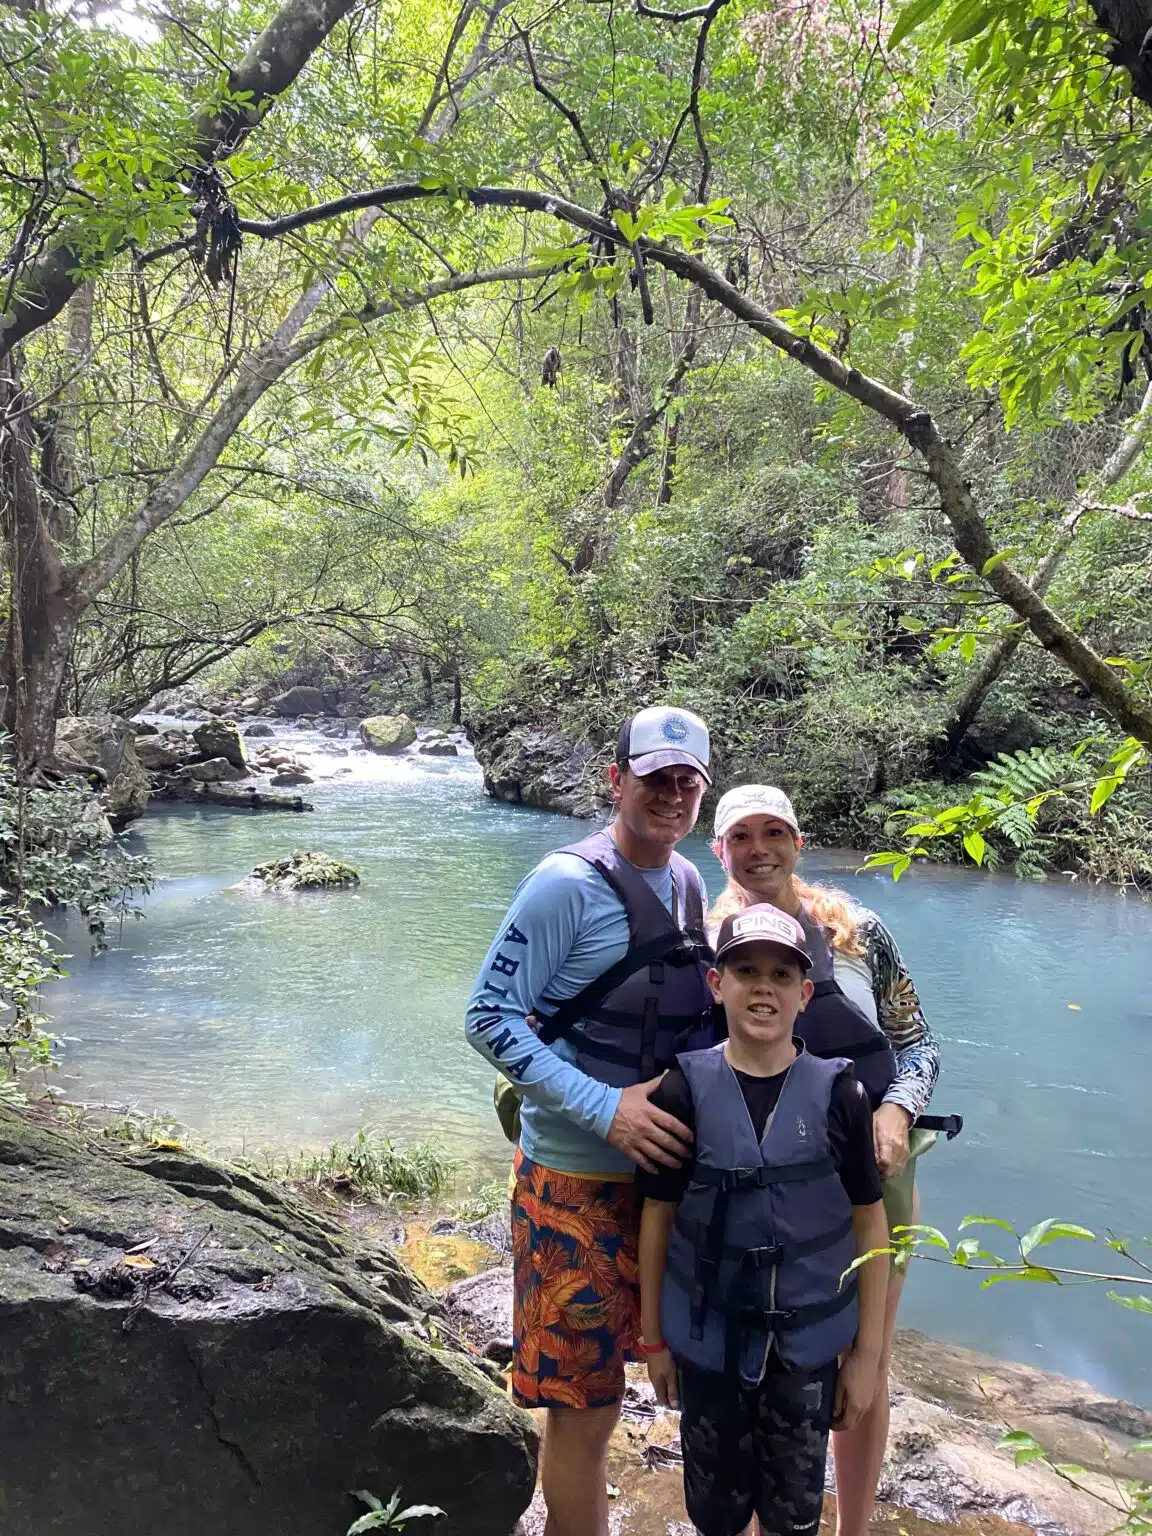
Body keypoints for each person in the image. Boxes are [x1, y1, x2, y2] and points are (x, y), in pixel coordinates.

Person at [466, 705, 720, 1536]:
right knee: (581, 1414)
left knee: (647, 1394)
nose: (671, 796)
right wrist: (603, 1108)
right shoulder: (564, 884)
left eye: (687, 782)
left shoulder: (689, 885)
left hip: (661, 1193)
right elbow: (489, 1017)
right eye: (654, 779)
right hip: (571, 1188)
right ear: (616, 781)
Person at [707, 784, 944, 1536]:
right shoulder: (705, 942)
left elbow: (918, 1043)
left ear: (798, 843)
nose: (759, 849)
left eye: (775, 831)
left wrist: (896, 1109)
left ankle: (854, 1528)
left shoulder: (859, 934)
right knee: (761, 1353)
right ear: (720, 851)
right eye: (741, 835)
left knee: (863, 1359)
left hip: (877, 1170)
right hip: (759, 1182)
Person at [637, 903, 890, 1536]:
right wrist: (653, 1341)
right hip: (708, 1343)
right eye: (745, 970)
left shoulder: (842, 1096)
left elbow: (870, 1225)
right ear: (716, 985)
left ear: (805, 995)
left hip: (802, 1355)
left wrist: (865, 1355)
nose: (763, 988)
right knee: (716, 1513)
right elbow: (658, 1218)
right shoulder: (681, 1090)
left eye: (781, 976)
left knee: (792, 1514)